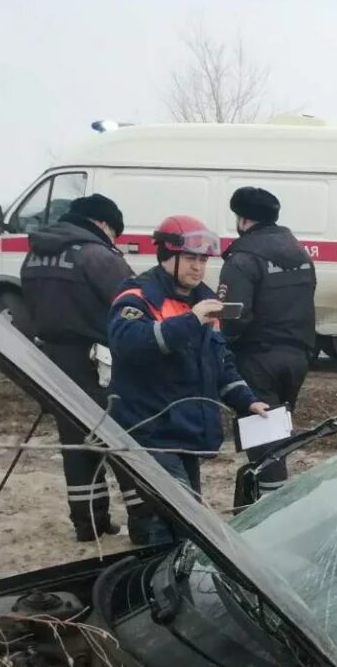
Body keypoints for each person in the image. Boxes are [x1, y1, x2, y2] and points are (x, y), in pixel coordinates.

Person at [106, 215, 268, 546]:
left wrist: (246, 400)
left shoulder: (205, 301)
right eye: (191, 258)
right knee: (180, 519)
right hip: (149, 430)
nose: (198, 268)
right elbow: (128, 345)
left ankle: (153, 567)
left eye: (203, 260)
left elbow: (220, 362)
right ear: (167, 255)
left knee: (173, 519)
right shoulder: (137, 297)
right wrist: (190, 321)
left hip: (186, 433)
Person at [18, 194, 133, 541]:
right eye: (113, 232)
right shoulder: (98, 256)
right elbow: (132, 300)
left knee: (75, 441)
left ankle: (88, 523)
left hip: (51, 359)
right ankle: (145, 521)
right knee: (121, 437)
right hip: (97, 360)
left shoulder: (34, 255)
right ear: (102, 223)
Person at [217, 186, 318, 506]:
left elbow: (233, 316)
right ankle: (256, 505)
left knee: (265, 449)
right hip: (297, 357)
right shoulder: (299, 253)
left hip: (257, 360)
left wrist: (221, 348)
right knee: (275, 441)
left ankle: (271, 515)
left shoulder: (243, 257)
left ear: (244, 219)